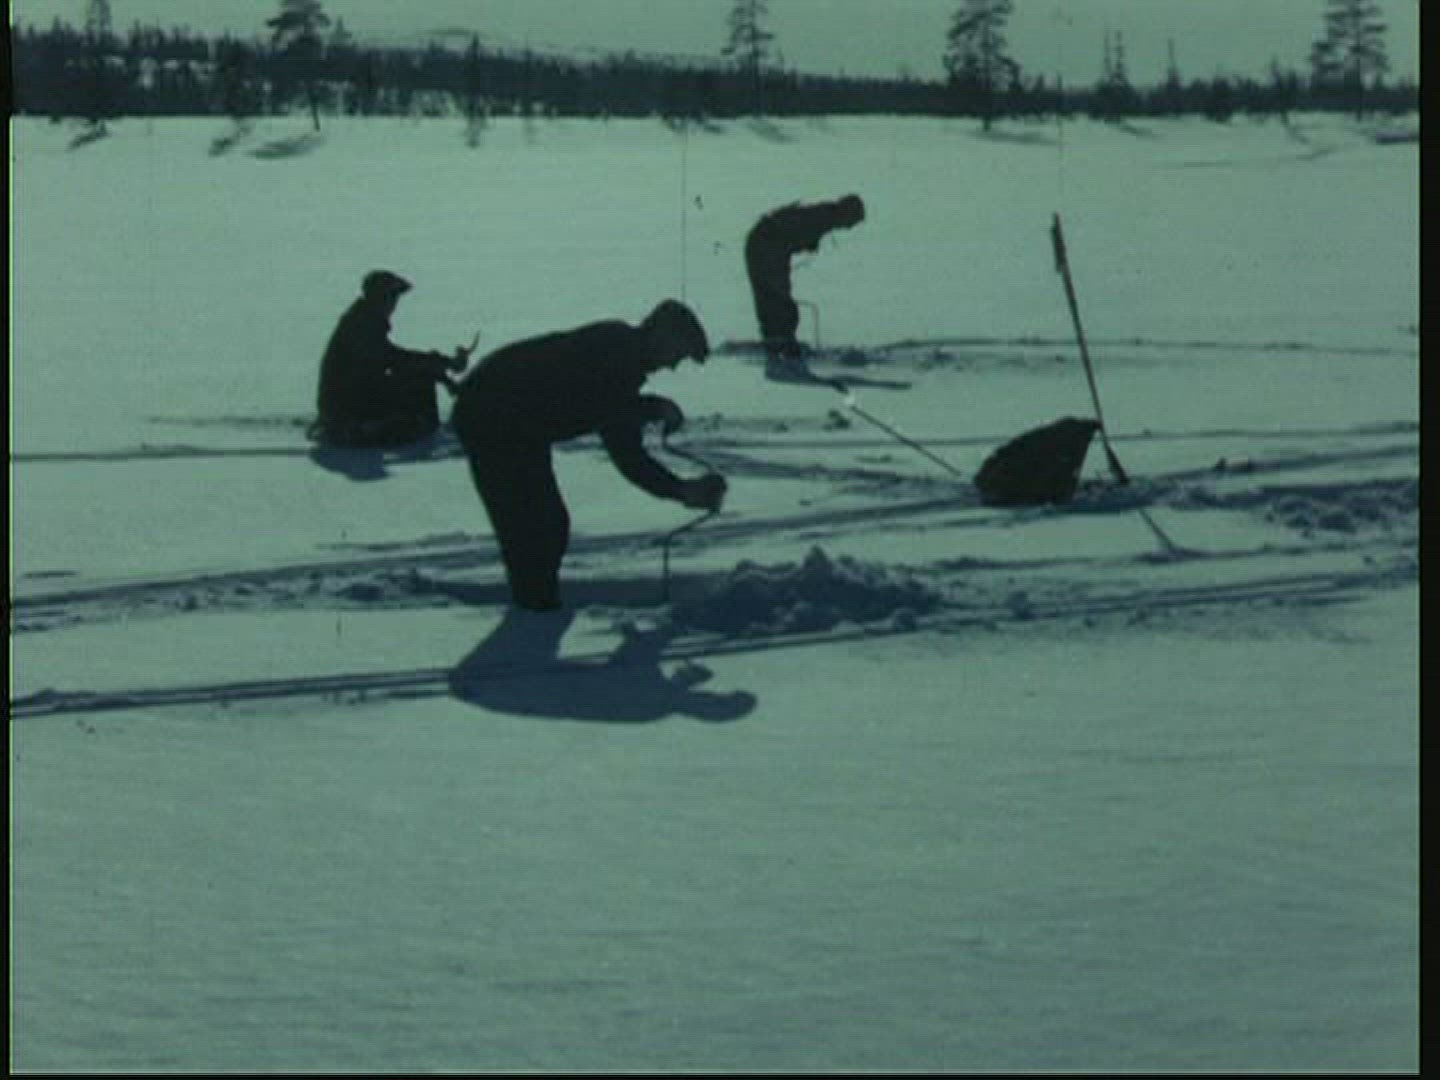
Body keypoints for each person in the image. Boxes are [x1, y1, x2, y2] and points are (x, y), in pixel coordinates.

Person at [452, 299, 726, 612]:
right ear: (662, 336)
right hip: (491, 416)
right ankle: (534, 614)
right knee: (531, 529)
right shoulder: (613, 346)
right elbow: (604, 406)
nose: (674, 365)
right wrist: (653, 408)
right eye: (678, 353)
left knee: (550, 525)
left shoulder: (624, 365)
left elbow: (628, 453)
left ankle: (538, 609)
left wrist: (679, 489)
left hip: (522, 426)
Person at [312, 270, 470, 448]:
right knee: (418, 383)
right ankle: (415, 433)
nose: (394, 304)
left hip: (351, 398)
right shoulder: (361, 325)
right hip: (345, 406)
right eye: (392, 297)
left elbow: (393, 358)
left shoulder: (364, 320)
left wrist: (439, 368)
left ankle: (416, 429)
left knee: (418, 376)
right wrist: (438, 364)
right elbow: (392, 358)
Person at [744, 194, 865, 380]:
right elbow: (788, 232)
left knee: (775, 301)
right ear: (847, 213)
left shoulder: (824, 217)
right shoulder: (822, 217)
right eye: (852, 222)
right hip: (765, 247)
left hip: (768, 247)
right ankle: (779, 348)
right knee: (777, 301)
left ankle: (779, 344)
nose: (850, 227)